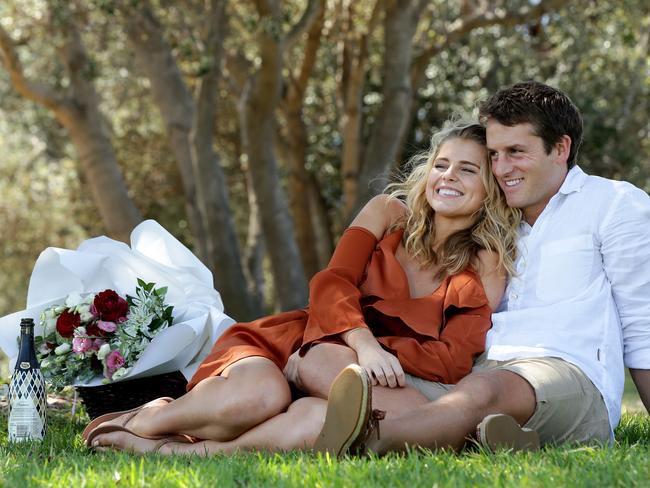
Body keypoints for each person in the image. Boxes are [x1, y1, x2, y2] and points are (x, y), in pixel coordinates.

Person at [83, 120, 521, 455]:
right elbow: (332, 283)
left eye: (468, 170)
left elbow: (452, 358)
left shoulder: (486, 263)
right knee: (260, 396)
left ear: (491, 189)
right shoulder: (387, 212)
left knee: (333, 421)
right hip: (294, 343)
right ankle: (152, 418)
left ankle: (180, 453)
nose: (448, 177)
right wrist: (363, 343)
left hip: (356, 378)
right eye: (441, 165)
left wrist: (366, 356)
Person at [311, 80, 650, 456]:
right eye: (494, 154)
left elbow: (642, 322)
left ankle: (368, 445)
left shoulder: (613, 204)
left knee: (483, 392)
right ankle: (494, 439)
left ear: (561, 148)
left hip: (567, 373)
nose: (502, 168)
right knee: (353, 375)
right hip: (477, 374)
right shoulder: (492, 222)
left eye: (516, 152)